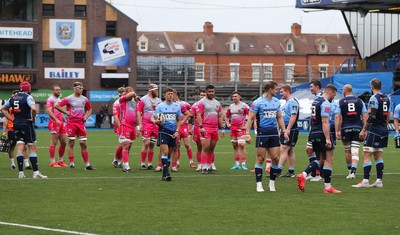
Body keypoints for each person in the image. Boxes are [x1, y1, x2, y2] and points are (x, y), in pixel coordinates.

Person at [297, 84, 342, 194]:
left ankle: (303, 174)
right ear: (330, 92)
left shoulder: (316, 101)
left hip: (314, 133)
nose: (333, 97)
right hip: (322, 133)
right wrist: (327, 138)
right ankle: (327, 187)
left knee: (320, 159)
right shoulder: (325, 103)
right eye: (334, 95)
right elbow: (324, 121)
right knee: (329, 159)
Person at [245, 81, 288, 192]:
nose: (277, 91)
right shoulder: (257, 102)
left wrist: (284, 131)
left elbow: (279, 117)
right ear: (270, 89)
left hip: (273, 133)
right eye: (276, 89)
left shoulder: (276, 102)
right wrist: (247, 134)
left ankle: (272, 183)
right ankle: (259, 184)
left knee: (275, 158)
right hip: (262, 134)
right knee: (260, 158)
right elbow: (250, 118)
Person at [1, 81, 47, 178]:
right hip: (26, 124)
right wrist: (33, 118)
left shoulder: (13, 97)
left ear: (21, 88)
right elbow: (34, 109)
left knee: (20, 147)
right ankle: (36, 173)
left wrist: (11, 119)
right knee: (32, 147)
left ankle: (21, 173)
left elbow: (2, 109)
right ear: (29, 89)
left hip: (16, 124)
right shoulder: (28, 97)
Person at [353, 78, 391, 188]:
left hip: (374, 130)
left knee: (366, 154)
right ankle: (379, 181)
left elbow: (372, 116)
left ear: (372, 87)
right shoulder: (386, 98)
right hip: (383, 129)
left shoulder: (374, 98)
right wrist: (385, 124)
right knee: (378, 155)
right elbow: (388, 115)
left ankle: (365, 181)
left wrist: (364, 129)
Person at [55, 82, 95, 170]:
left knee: (84, 144)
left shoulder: (84, 99)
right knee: (71, 143)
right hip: (71, 123)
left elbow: (90, 109)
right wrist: (66, 112)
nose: (81, 89)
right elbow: (57, 106)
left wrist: (86, 117)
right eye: (79, 88)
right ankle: (72, 164)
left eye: (82, 88)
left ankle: (87, 165)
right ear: (74, 89)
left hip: (81, 123)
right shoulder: (69, 98)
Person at [334, 84, 367, 179]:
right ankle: (353, 171)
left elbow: (337, 117)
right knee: (355, 149)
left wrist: (337, 131)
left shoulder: (341, 102)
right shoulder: (360, 101)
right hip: (357, 128)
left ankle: (350, 171)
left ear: (344, 91)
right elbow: (365, 116)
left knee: (347, 150)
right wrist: (365, 129)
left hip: (345, 128)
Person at [151, 88, 183, 181]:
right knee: (164, 151)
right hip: (163, 131)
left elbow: (179, 119)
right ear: (165, 95)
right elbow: (153, 117)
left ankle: (164, 174)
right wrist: (155, 121)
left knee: (169, 154)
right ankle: (167, 173)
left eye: (172, 94)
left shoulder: (177, 106)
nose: (170, 95)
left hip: (172, 132)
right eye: (169, 94)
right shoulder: (160, 106)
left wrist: (177, 131)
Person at [196, 84, 225, 174]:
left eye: (213, 91)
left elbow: (219, 116)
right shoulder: (201, 102)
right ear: (206, 92)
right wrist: (201, 127)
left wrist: (222, 128)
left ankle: (208, 167)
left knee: (211, 149)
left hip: (214, 128)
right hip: (206, 127)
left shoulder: (217, 103)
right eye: (209, 91)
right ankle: (203, 167)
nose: (211, 93)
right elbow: (198, 115)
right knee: (205, 148)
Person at [137, 83, 162, 171]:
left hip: (155, 124)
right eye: (156, 90)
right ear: (151, 90)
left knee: (152, 144)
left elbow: (161, 112)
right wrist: (140, 124)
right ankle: (143, 164)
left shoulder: (159, 100)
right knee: (146, 143)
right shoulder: (143, 99)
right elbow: (138, 112)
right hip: (146, 124)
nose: (157, 91)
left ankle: (150, 164)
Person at [278, 85, 300, 177]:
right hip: (287, 128)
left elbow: (293, 116)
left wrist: (288, 129)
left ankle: (277, 171)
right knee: (290, 150)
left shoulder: (292, 102)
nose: (280, 94)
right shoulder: (287, 102)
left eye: (282, 92)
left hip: (290, 128)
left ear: (287, 91)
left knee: (283, 149)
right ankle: (291, 171)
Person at [225, 91, 250, 171]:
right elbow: (226, 116)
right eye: (233, 96)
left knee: (242, 145)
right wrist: (228, 123)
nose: (234, 98)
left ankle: (243, 164)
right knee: (235, 146)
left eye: (235, 96)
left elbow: (251, 116)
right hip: (233, 129)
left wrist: (247, 126)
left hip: (240, 128)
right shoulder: (231, 106)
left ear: (239, 97)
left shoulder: (244, 106)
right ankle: (236, 164)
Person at [118, 87, 139, 173]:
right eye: (130, 91)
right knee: (126, 145)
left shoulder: (135, 103)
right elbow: (131, 94)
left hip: (132, 127)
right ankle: (126, 166)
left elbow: (137, 116)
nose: (132, 92)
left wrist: (138, 128)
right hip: (125, 125)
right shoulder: (122, 100)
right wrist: (134, 94)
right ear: (126, 93)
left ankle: (124, 164)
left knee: (129, 146)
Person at [305, 80, 323, 181]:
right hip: (313, 129)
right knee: (309, 150)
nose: (310, 88)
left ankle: (319, 174)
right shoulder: (316, 98)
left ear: (317, 86)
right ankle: (314, 173)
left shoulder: (322, 98)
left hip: (319, 130)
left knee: (319, 152)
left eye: (311, 86)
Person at [46, 85, 67, 167]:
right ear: (53, 91)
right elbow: (49, 111)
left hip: (60, 122)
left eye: (59, 90)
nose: (58, 91)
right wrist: (56, 119)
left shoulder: (59, 99)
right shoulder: (50, 99)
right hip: (54, 122)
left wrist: (63, 118)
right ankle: (52, 162)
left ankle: (60, 161)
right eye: (56, 90)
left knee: (64, 142)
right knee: (54, 142)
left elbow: (59, 110)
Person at [173, 91, 195, 170]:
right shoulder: (170, 105)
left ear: (177, 96)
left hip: (184, 126)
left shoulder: (184, 104)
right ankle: (177, 163)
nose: (172, 96)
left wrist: (190, 127)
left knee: (187, 145)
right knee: (177, 146)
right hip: (176, 128)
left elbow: (191, 114)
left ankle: (191, 162)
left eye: (173, 95)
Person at [189, 90, 206, 171]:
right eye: (201, 95)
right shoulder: (195, 105)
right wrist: (190, 128)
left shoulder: (210, 104)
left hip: (207, 127)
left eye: (204, 95)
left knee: (207, 147)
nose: (202, 96)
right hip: (197, 128)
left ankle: (209, 164)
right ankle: (199, 165)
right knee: (199, 147)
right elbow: (191, 116)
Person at [111, 87, 126, 168]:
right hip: (119, 125)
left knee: (125, 144)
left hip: (126, 125)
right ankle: (117, 160)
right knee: (123, 143)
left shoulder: (127, 102)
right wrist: (119, 126)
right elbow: (115, 116)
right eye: (122, 94)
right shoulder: (116, 103)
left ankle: (117, 160)